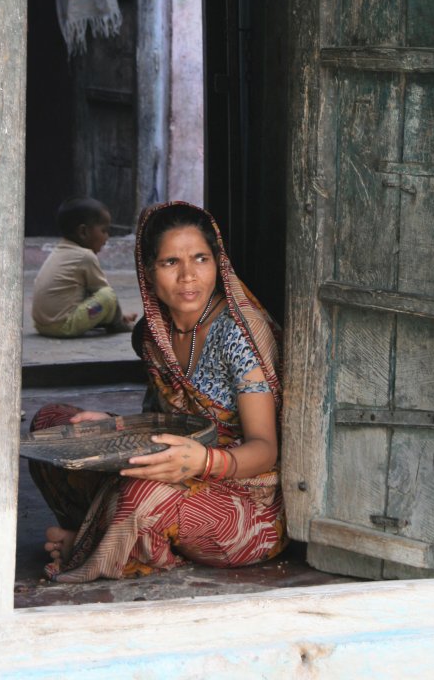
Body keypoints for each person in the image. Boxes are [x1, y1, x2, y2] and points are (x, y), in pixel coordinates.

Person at [29, 201, 287, 582]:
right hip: (174, 464)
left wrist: (203, 463)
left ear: (218, 263)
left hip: (244, 500)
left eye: (200, 258)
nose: (188, 276)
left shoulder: (238, 334)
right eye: (170, 262)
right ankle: (109, 535)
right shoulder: (153, 335)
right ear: (147, 272)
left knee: (141, 495)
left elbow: (265, 449)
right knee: (50, 428)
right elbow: (164, 423)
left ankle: (93, 544)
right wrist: (118, 425)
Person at [31, 197, 137, 338]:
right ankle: (117, 325)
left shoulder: (60, 250)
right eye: (104, 231)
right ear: (83, 232)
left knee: (89, 294)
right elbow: (106, 296)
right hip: (63, 326)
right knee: (107, 295)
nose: (107, 238)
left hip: (42, 326)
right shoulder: (85, 256)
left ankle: (113, 319)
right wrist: (119, 320)